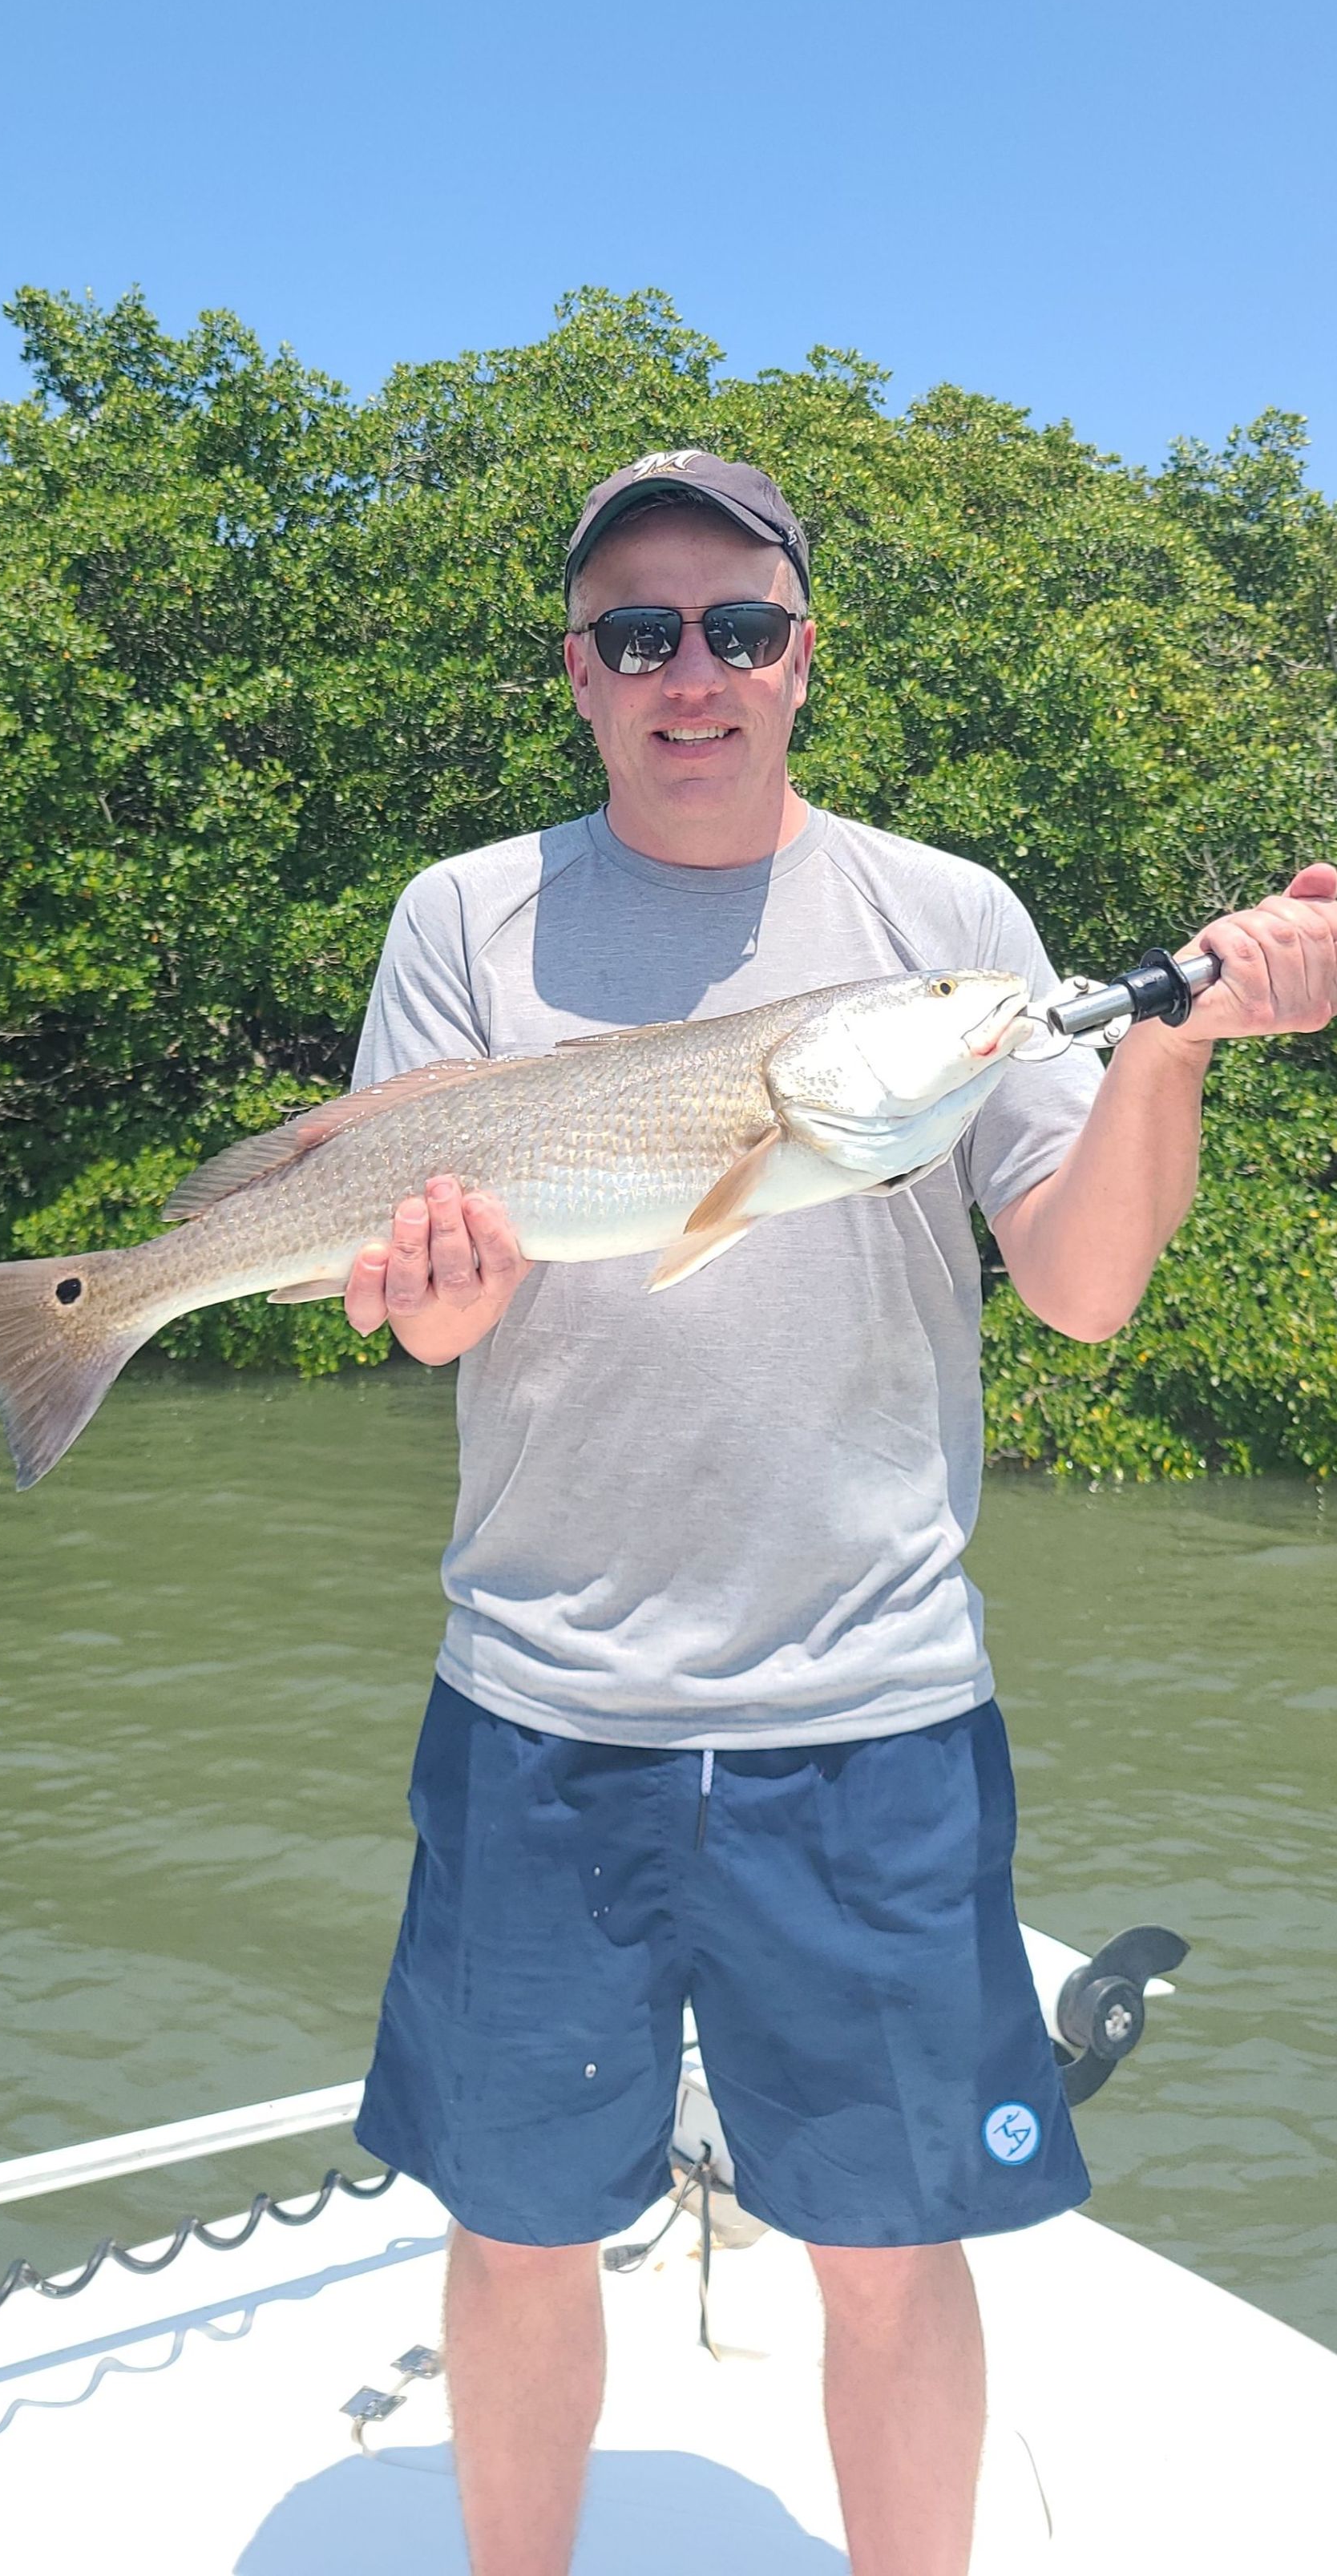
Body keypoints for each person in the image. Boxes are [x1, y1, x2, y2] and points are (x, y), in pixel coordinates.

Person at [342, 451, 1337, 2576]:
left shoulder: (949, 921)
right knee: (516, 2232)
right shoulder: (465, 918)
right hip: (542, 1706)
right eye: (637, 634)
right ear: (580, 675)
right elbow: (418, 1323)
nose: (688, 672)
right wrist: (426, 1301)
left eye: (736, 627)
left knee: (893, 2249)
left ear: (805, 657)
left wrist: (1183, 1045)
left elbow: (1076, 1286)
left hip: (872, 1713)